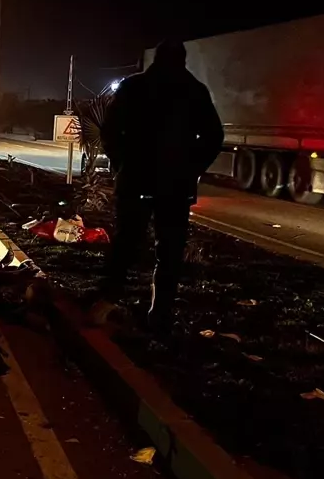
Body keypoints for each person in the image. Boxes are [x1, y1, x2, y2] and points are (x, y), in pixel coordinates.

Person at [91, 39, 224, 333]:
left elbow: (110, 130)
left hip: (136, 179)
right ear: (183, 61)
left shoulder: (133, 86)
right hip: (175, 187)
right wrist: (192, 168)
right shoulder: (195, 91)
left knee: (126, 243)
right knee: (170, 252)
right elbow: (214, 137)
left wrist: (121, 162)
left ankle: (106, 302)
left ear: (156, 59)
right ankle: (160, 314)